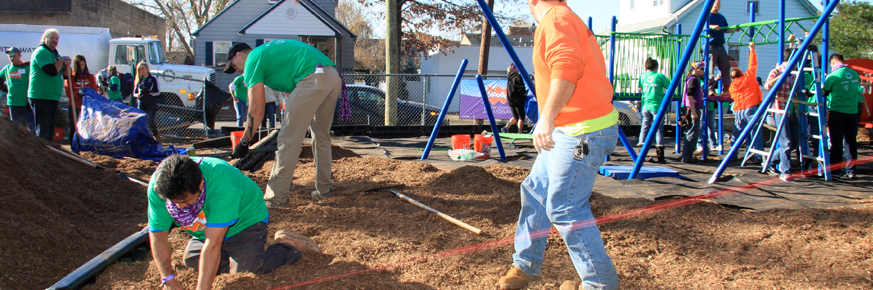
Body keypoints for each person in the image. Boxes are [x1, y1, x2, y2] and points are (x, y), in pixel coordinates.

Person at [497, 1, 619, 290]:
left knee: (565, 207)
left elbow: (567, 66)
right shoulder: (561, 18)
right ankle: (526, 266)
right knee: (536, 191)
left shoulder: (555, 20)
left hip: (581, 131)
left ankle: (600, 285)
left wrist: (547, 118)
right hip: (571, 128)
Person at [147, 155, 319, 290]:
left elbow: (213, 243)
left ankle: (287, 246)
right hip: (207, 229)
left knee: (248, 272)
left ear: (200, 184)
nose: (179, 207)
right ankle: (248, 252)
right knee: (193, 262)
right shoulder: (160, 186)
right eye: (174, 202)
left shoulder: (223, 183)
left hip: (244, 222)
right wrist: (168, 280)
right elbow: (157, 236)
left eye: (186, 201)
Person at [224, 40, 342, 206]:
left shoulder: (252, 59)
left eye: (233, 65)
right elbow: (292, 92)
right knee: (321, 135)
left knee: (288, 139)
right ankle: (324, 189)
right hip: (332, 76)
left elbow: (256, 109)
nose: (235, 70)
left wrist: (244, 141)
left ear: (239, 54)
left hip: (312, 78)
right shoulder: (270, 56)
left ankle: (276, 198)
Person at [764, 44, 802, 181]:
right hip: (780, 110)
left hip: (793, 111)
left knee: (794, 143)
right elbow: (767, 85)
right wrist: (781, 77)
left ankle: (771, 161)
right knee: (786, 142)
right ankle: (786, 171)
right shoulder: (777, 71)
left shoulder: (797, 73)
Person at [29, 28, 72, 141]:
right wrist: (62, 60)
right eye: (52, 38)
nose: (54, 40)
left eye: (56, 38)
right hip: (41, 95)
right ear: (44, 38)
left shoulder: (55, 55)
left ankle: (48, 152)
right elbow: (51, 71)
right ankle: (40, 154)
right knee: (43, 130)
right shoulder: (41, 52)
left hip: (52, 95)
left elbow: (66, 75)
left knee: (50, 130)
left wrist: (67, 65)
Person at [823, 53, 861, 178]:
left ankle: (835, 171)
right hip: (852, 112)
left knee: (836, 142)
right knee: (850, 142)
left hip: (837, 111)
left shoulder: (833, 76)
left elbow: (824, 92)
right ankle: (851, 171)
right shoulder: (854, 73)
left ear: (833, 63)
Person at [728, 42, 765, 165]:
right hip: (750, 108)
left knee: (737, 132)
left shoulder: (733, 85)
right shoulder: (748, 77)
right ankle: (757, 156)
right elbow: (752, 64)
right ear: (741, 73)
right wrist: (752, 49)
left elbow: (733, 97)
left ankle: (732, 154)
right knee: (755, 132)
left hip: (739, 110)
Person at [637, 57, 670, 163]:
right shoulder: (659, 76)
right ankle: (660, 155)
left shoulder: (643, 76)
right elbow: (670, 87)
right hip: (657, 106)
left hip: (645, 105)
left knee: (644, 127)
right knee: (659, 129)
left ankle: (641, 151)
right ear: (656, 67)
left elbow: (640, 88)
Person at [1, 47, 35, 132]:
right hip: (13, 102)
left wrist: (31, 98)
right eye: (10, 56)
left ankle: (35, 144)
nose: (12, 58)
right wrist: (5, 88)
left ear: (20, 55)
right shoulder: (7, 68)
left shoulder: (27, 67)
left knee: (32, 126)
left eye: (14, 55)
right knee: (15, 128)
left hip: (26, 102)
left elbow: (35, 82)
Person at [64, 55, 99, 131]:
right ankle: (73, 142)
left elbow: (95, 92)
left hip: (87, 107)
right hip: (74, 106)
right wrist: (77, 94)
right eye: (79, 65)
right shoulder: (71, 78)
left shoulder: (90, 77)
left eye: (82, 65)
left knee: (86, 129)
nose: (81, 67)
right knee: (74, 129)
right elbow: (68, 93)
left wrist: (87, 93)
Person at [681, 61, 706, 163]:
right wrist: (694, 112)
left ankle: (687, 155)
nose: (703, 72)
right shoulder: (694, 80)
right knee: (692, 133)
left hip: (689, 108)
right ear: (696, 69)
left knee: (691, 132)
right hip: (692, 108)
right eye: (702, 69)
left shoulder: (692, 79)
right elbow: (690, 95)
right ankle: (687, 157)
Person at [708, 0, 734, 92]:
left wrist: (734, 29)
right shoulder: (707, 16)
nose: (717, 8)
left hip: (720, 45)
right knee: (710, 68)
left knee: (725, 66)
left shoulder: (721, 17)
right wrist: (713, 27)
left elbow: (726, 29)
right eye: (715, 7)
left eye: (719, 7)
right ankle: (709, 89)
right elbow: (705, 26)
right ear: (711, 6)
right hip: (711, 45)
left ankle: (726, 89)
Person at [134, 61, 162, 143]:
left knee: (150, 124)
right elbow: (134, 93)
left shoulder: (152, 79)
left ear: (147, 69)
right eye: (139, 69)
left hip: (151, 103)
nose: (141, 71)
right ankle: (145, 142)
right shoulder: (138, 81)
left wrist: (149, 92)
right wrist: (138, 94)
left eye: (143, 69)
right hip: (141, 103)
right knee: (141, 123)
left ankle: (159, 142)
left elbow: (158, 92)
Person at [502, 63, 527, 134]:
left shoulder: (509, 77)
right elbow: (520, 88)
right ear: (515, 68)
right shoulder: (518, 77)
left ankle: (506, 127)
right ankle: (519, 132)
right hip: (518, 100)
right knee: (521, 117)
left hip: (510, 99)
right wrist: (524, 92)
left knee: (515, 116)